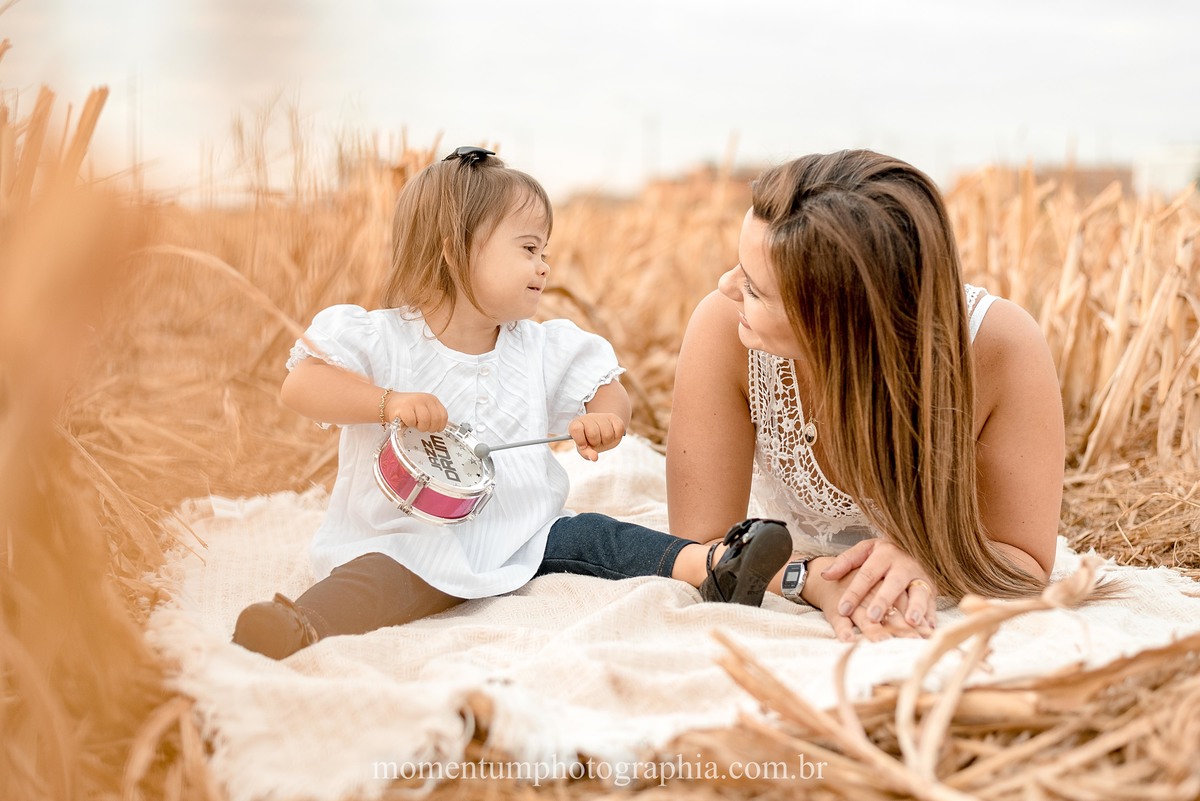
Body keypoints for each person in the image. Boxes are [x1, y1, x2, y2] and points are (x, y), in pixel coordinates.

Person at [233, 147, 792, 660]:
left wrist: (604, 418)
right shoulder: (382, 340)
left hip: (525, 530)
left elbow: (606, 387)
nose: (544, 266)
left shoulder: (540, 346)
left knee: (599, 536)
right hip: (407, 539)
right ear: (454, 253)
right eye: (529, 249)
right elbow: (302, 384)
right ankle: (302, 623)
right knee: (376, 580)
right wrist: (386, 402)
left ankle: (715, 565)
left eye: (544, 251)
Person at [664, 149, 1064, 642]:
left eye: (754, 288)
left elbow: (1026, 560)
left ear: (832, 324)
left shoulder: (1002, 348)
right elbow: (699, 545)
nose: (727, 286)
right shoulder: (724, 328)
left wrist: (930, 564)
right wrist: (811, 580)